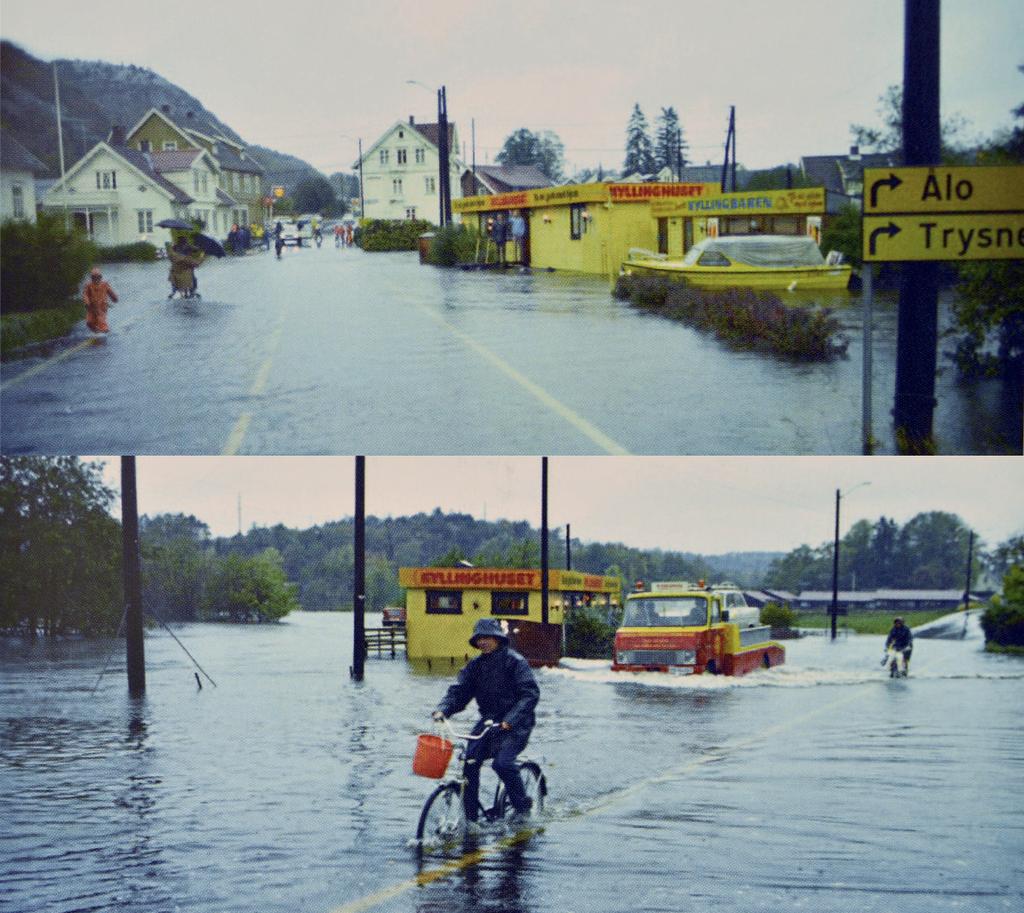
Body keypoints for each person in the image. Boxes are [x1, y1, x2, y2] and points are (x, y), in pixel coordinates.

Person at [432, 617, 539, 826]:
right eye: (479, 639)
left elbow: (530, 695)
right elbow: (459, 692)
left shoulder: (515, 662)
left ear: (498, 639)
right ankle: (471, 819)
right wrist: (443, 710)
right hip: (489, 720)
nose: (483, 642)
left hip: (517, 723)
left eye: (488, 637)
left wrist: (511, 719)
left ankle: (522, 808)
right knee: (469, 762)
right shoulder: (475, 666)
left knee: (503, 763)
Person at [82, 267, 118, 333]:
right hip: (91, 307)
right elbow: (85, 295)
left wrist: (114, 298)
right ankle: (96, 332)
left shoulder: (105, 284)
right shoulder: (88, 285)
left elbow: (111, 292)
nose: (96, 279)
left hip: (102, 307)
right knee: (89, 322)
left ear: (100, 277)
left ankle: (105, 331)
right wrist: (87, 302)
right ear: (91, 278)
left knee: (101, 321)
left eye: (98, 277)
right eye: (94, 277)